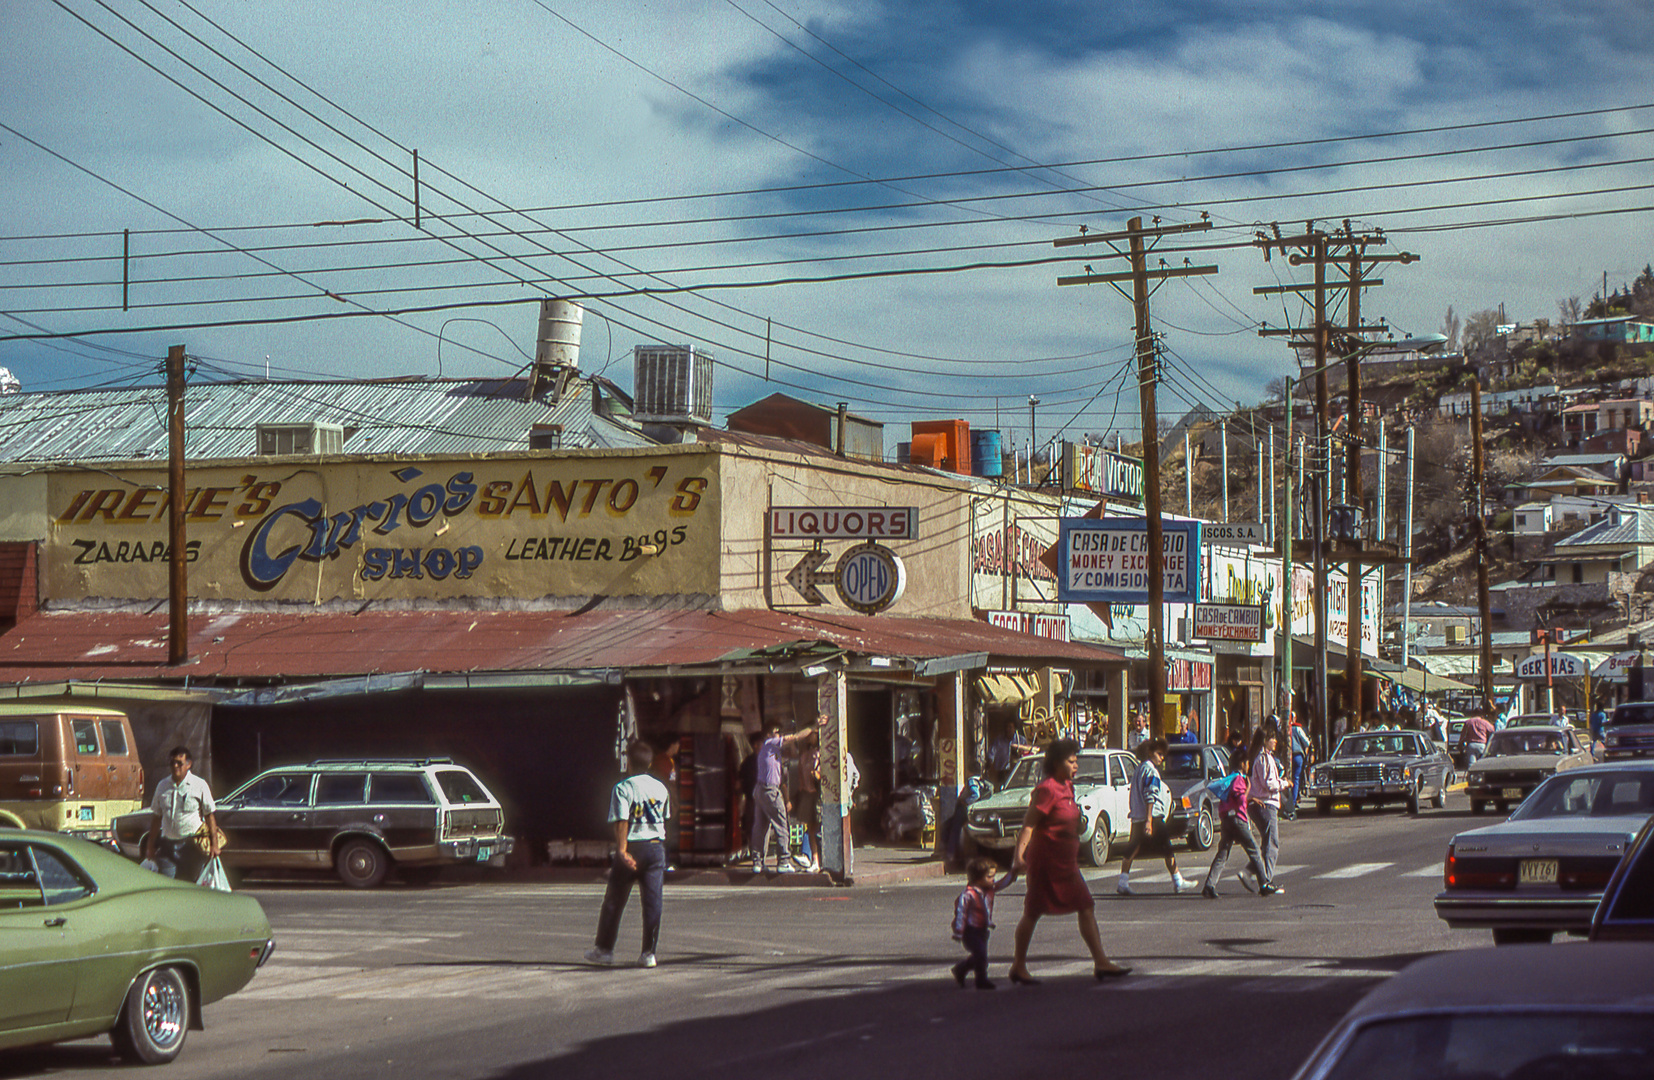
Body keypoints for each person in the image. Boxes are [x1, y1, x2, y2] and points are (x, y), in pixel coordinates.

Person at [1007, 738, 1132, 983]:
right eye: (1071, 761)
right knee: (1032, 912)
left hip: (1066, 864)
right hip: (1046, 862)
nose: (1076, 766)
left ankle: (1101, 962)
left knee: (1086, 905)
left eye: (1076, 761)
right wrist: (1019, 857)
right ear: (1056, 763)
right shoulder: (1048, 789)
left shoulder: (1068, 787)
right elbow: (1029, 825)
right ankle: (1018, 966)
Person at [586, 740, 672, 968]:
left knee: (614, 900)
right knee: (653, 902)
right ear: (651, 763)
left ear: (629, 763)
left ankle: (604, 950)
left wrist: (622, 850)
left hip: (633, 847)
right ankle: (648, 953)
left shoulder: (623, 788)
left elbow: (622, 821)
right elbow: (664, 818)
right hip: (655, 847)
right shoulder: (661, 788)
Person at [1117, 737, 1196, 895]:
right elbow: (1150, 795)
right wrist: (1149, 820)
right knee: (1167, 849)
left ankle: (1122, 882)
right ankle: (1178, 881)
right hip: (1153, 817)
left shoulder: (1139, 769)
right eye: (1159, 754)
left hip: (1138, 816)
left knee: (1132, 849)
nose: (1162, 758)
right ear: (1150, 752)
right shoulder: (1151, 771)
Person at [1201, 748, 1279, 898]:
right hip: (1238, 820)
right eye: (1247, 762)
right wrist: (1248, 791)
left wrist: (1249, 798)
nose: (1248, 765)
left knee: (1223, 853)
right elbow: (1239, 798)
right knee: (1255, 850)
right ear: (1242, 763)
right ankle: (1264, 884)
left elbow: (1232, 799)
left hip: (1226, 820)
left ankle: (1209, 885)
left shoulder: (1229, 779)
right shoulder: (1239, 779)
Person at [752, 718, 823, 873]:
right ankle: (784, 860)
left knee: (761, 827)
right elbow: (795, 737)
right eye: (777, 732)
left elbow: (793, 753)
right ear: (769, 734)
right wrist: (813, 726)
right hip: (769, 790)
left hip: (761, 790)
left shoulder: (772, 750)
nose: (780, 735)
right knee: (782, 825)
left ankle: (758, 862)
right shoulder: (770, 743)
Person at [143, 745, 220, 883]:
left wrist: (214, 844)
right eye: (172, 763)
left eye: (180, 763)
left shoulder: (199, 785)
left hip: (191, 846)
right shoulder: (162, 786)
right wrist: (150, 846)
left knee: (189, 885)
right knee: (166, 884)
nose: (175, 766)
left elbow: (210, 816)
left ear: (189, 764)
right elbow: (156, 817)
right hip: (167, 845)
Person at [950, 857, 1018, 990]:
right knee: (981, 954)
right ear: (977, 877)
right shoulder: (968, 894)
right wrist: (959, 931)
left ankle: (961, 969)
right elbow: (961, 913)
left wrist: (1013, 873)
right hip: (970, 931)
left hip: (982, 930)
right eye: (989, 877)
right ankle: (981, 980)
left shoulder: (989, 889)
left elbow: (1002, 884)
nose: (993, 880)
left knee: (980, 955)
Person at [1246, 728, 1288, 890]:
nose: (1275, 741)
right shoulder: (1263, 758)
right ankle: (1267, 881)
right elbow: (1268, 784)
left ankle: (1249, 871)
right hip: (1266, 803)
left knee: (1266, 842)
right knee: (1272, 843)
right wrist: (1284, 783)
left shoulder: (1260, 757)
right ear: (1264, 741)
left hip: (1259, 803)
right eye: (1272, 738)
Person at [1287, 715, 1313, 820]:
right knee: (1296, 778)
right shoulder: (1297, 728)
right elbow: (1307, 742)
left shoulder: (1282, 728)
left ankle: (1289, 801)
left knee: (1288, 778)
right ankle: (1293, 801)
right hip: (1297, 755)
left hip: (1287, 756)